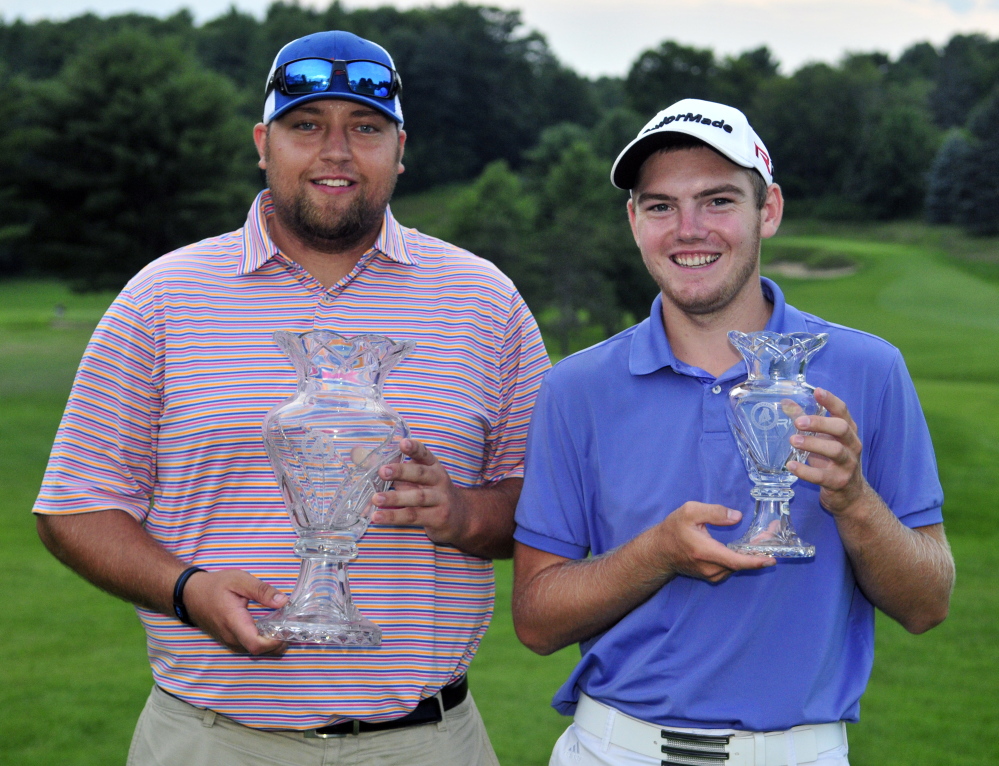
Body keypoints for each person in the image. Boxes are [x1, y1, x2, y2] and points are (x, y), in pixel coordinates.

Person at [33, 30, 549, 766]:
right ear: (262, 143)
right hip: (209, 741)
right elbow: (75, 506)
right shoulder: (162, 298)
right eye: (306, 125)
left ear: (400, 148)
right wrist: (186, 592)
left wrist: (463, 514)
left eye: (364, 129)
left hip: (426, 741)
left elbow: (543, 509)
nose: (336, 152)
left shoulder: (482, 300)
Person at [511, 98, 955, 766]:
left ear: (767, 210)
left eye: (717, 201)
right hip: (614, 750)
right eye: (660, 206)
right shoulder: (576, 388)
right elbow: (536, 621)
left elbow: (927, 603)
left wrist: (854, 502)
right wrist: (655, 553)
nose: (688, 230)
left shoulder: (868, 370)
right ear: (634, 221)